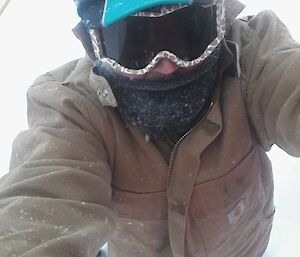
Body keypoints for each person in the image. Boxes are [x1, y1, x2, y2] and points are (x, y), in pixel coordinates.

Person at [0, 0, 299, 256]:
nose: (166, 65)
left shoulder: (251, 55)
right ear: (95, 45)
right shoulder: (73, 110)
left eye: (188, 31)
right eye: (134, 41)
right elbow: (41, 202)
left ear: (218, 17)